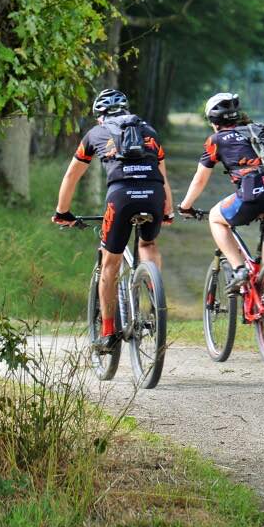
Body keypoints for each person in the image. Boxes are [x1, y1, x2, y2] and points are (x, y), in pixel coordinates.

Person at [52, 88, 175, 352]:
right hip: (153, 193)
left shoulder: (95, 134)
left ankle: (108, 333)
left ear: (100, 116)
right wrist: (168, 212)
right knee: (148, 244)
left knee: (110, 263)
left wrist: (63, 212)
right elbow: (162, 177)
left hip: (120, 197)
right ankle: (155, 303)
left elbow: (71, 176)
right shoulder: (149, 132)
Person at [177, 92, 264, 295]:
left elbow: (200, 179)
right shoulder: (261, 131)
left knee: (215, 217)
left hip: (253, 196)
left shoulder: (216, 140)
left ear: (213, 121)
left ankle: (239, 269)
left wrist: (185, 206)